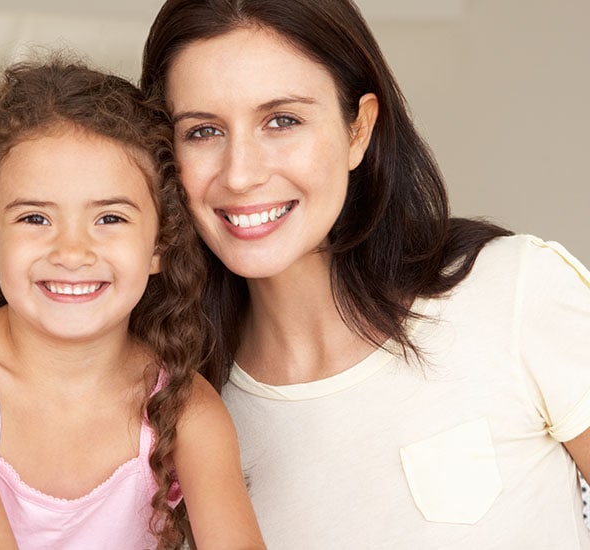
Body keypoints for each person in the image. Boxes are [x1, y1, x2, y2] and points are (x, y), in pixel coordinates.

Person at [141, 0, 590, 547]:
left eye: (282, 121)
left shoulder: (513, 293)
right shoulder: (177, 408)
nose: (240, 174)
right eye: (203, 131)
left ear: (359, 130)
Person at [0, 56, 265, 550]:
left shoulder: (189, 409)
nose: (72, 252)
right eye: (35, 219)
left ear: (159, 245)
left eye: (110, 219)